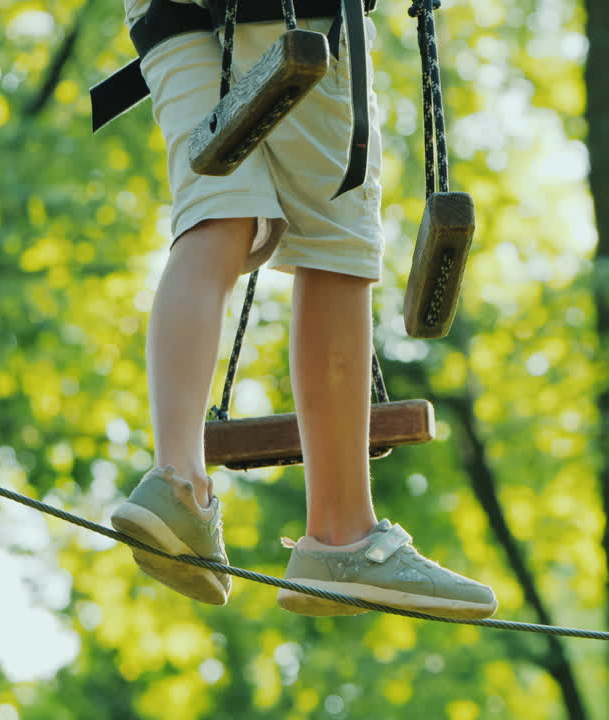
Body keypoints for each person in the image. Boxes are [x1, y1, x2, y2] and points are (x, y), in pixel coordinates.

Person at [108, 0, 496, 620]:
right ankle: (342, 534)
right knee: (334, 248)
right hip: (299, 11)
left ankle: (176, 479)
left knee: (216, 218)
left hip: (168, 17)